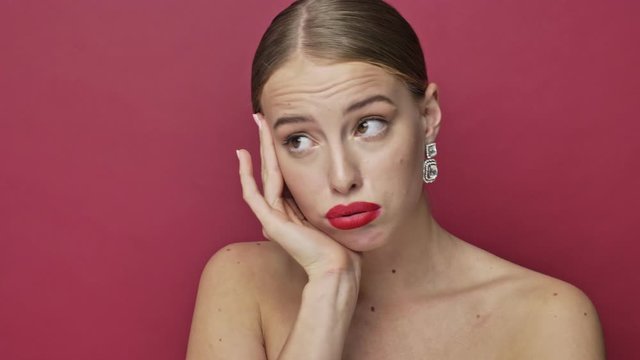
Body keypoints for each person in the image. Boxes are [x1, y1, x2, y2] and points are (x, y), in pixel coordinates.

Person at [186, 0, 606, 358]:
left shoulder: (547, 315)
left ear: (427, 118)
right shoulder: (242, 282)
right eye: (298, 139)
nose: (341, 177)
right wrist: (329, 287)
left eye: (368, 125)